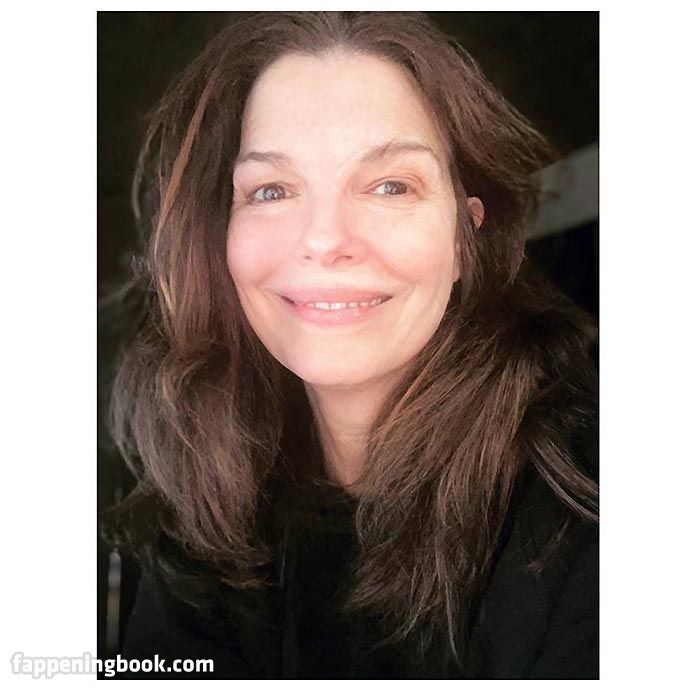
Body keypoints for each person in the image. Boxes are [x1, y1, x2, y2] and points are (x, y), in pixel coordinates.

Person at [103, 11, 599, 679]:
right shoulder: (204, 481)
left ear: (466, 238)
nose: (324, 238)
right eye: (271, 190)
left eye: (391, 185)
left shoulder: (590, 501)